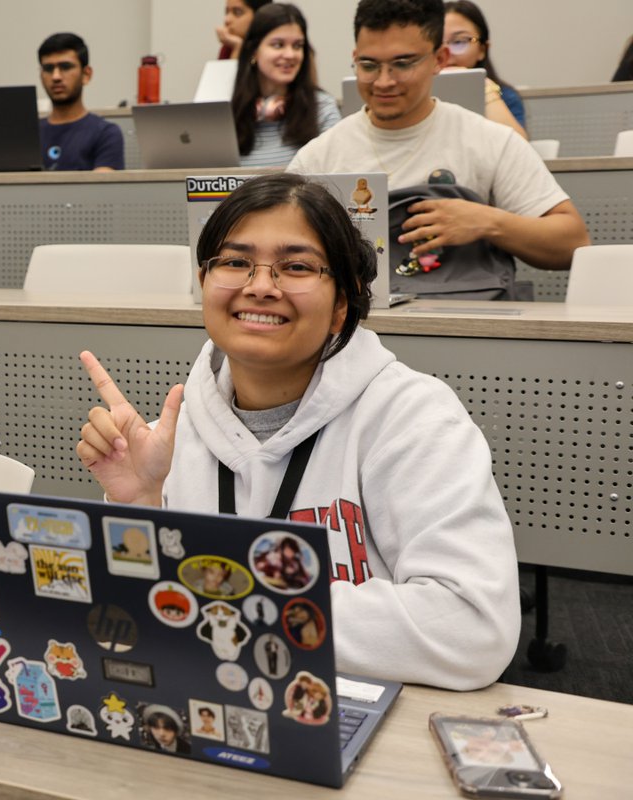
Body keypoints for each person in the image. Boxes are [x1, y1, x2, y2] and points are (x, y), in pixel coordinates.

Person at [76, 172, 520, 690]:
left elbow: (473, 628)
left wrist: (232, 605)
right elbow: (135, 618)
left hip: (358, 715)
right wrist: (139, 503)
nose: (260, 286)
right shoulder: (167, 440)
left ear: (343, 303)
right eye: (236, 262)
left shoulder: (414, 418)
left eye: (297, 267)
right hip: (206, 703)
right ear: (204, 284)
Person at [289, 0, 588, 295]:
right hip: (357, 326)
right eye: (368, 65)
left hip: (470, 324)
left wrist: (488, 222)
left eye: (403, 64)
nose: (383, 81)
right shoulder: (319, 156)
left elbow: (573, 243)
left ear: (440, 59)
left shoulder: (489, 141)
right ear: (355, 57)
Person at [232, 3, 340, 167]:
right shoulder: (229, 113)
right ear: (254, 51)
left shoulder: (323, 109)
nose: (290, 55)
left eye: (297, 46)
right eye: (278, 45)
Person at [37, 33, 123, 171]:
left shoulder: (105, 133)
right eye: (48, 69)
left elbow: (101, 190)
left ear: (86, 75)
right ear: (41, 75)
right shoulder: (29, 136)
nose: (56, 76)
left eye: (65, 67)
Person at [443, 1, 527, 139]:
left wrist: (483, 88)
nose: (446, 52)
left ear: (482, 49)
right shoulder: (413, 95)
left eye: (458, 42)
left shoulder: (505, 96)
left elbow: (518, 152)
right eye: (437, 43)